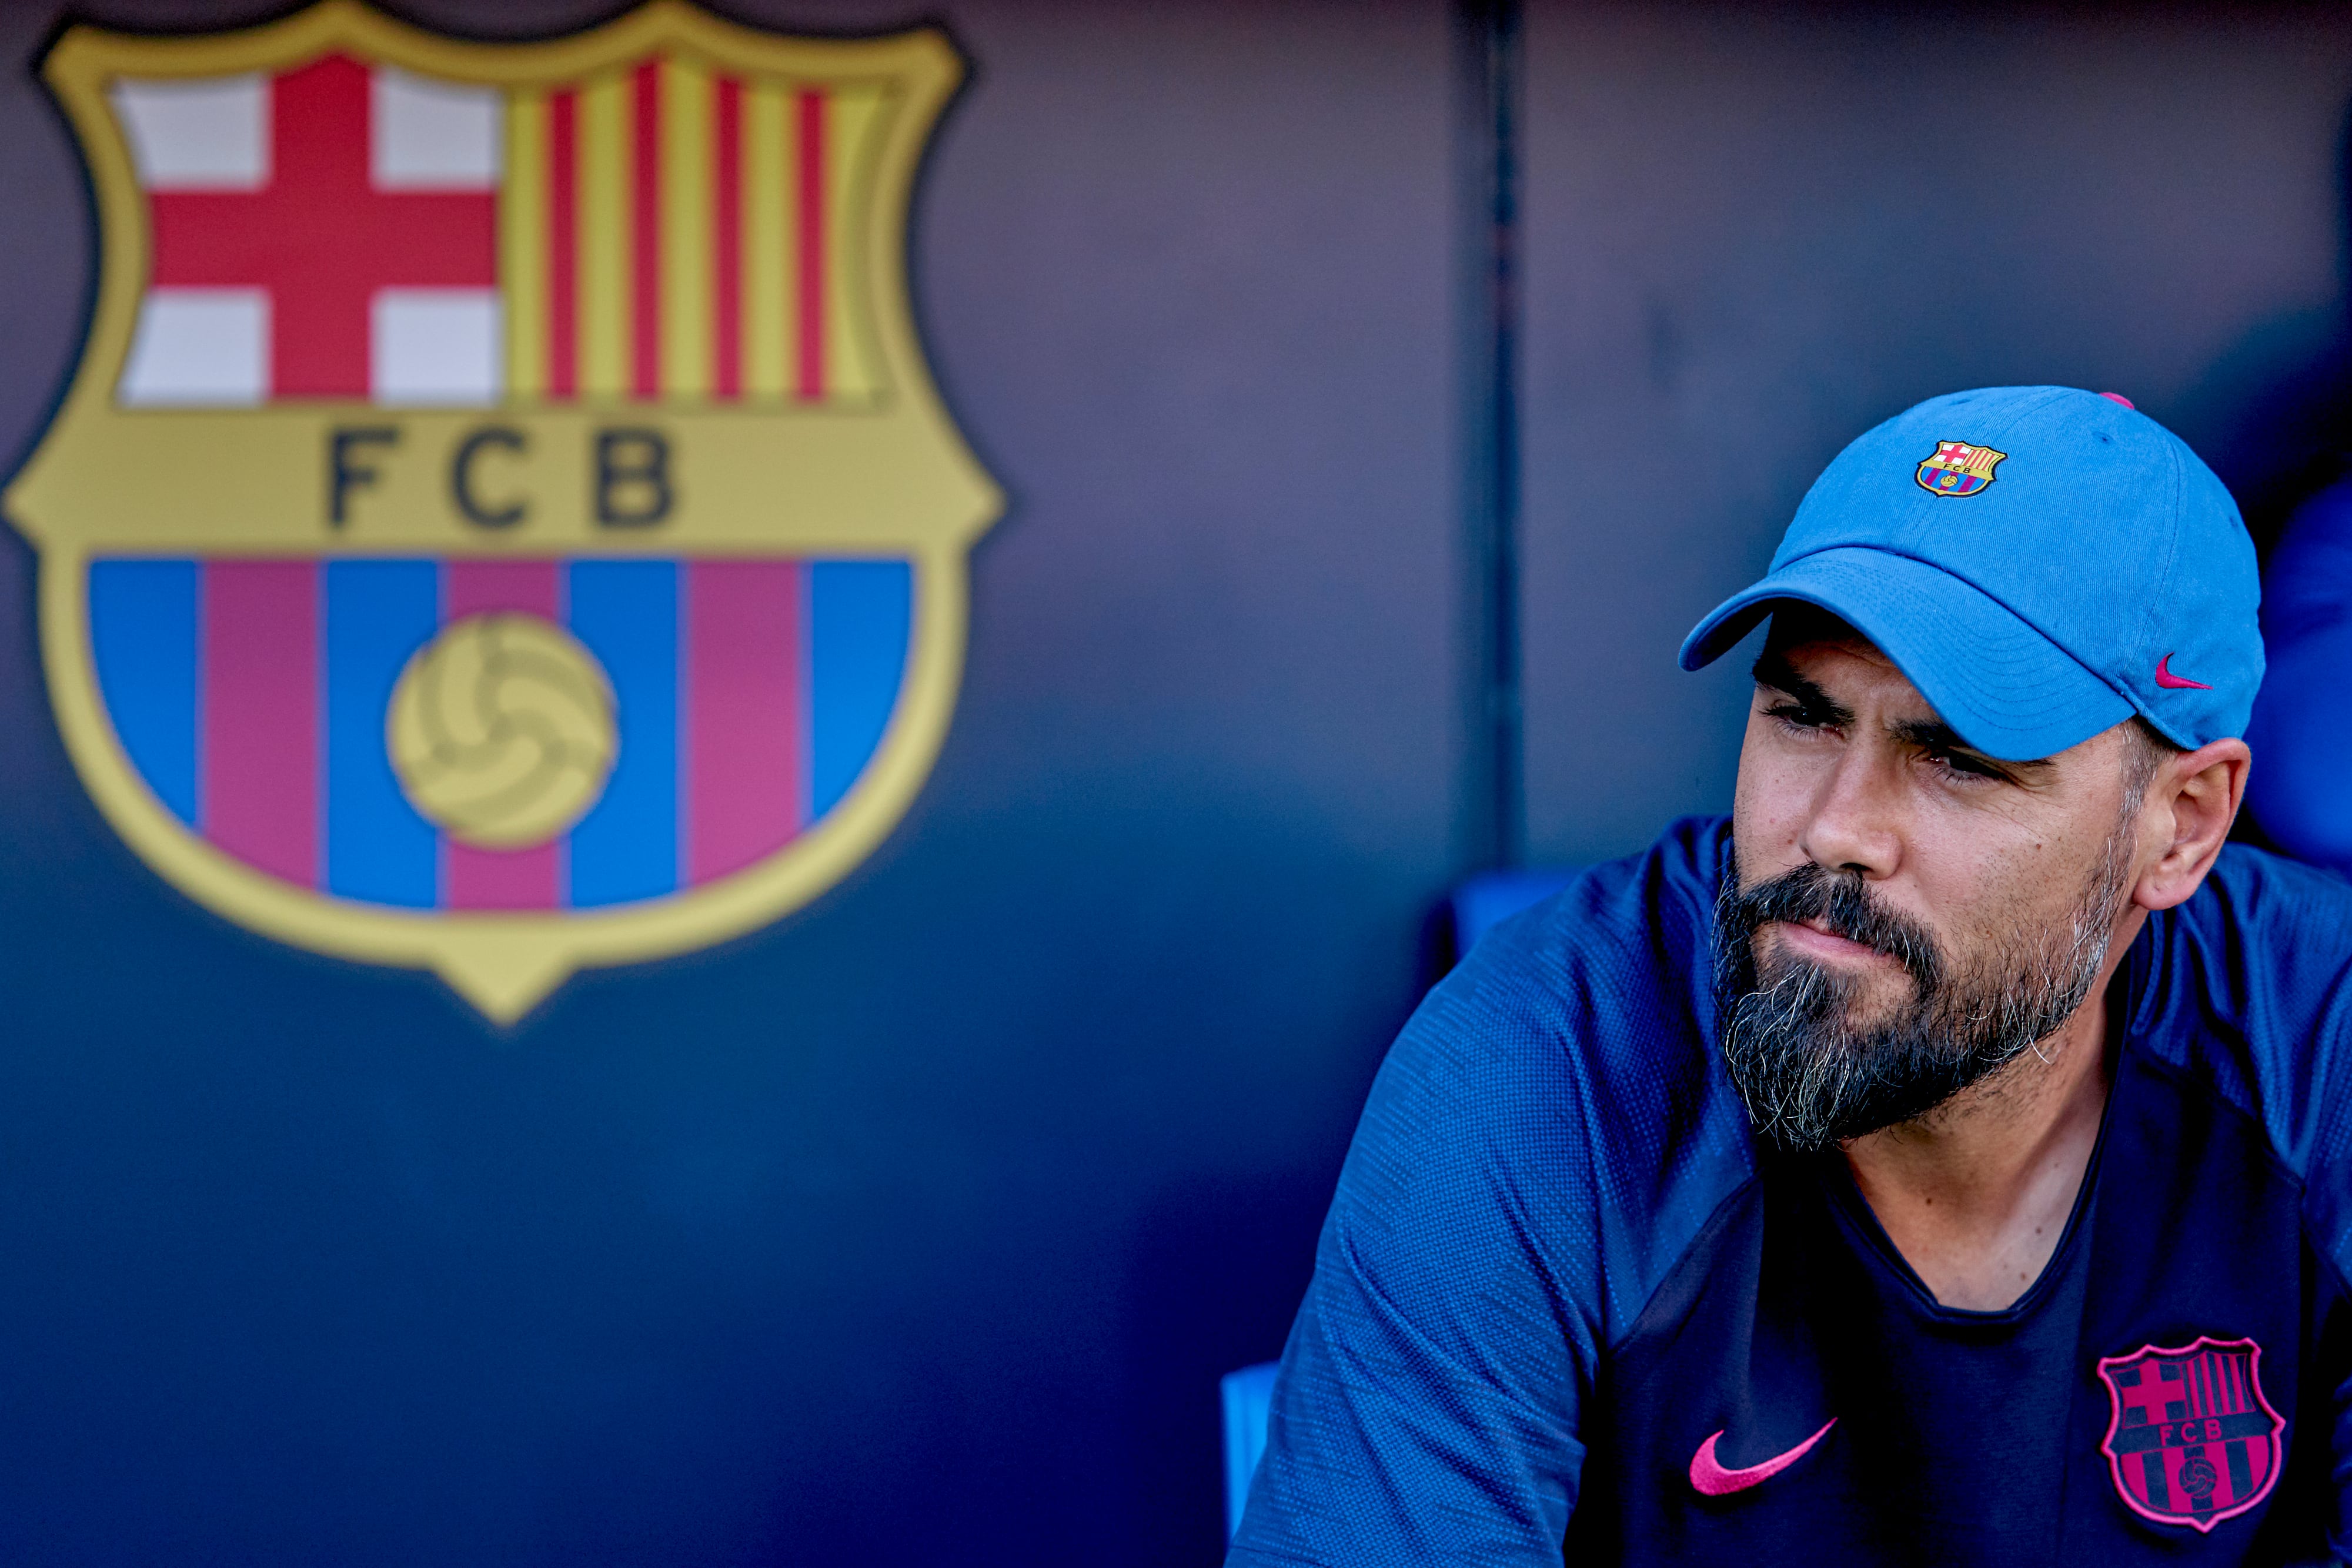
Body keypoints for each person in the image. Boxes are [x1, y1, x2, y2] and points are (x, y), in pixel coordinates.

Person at [1227, 386, 2352, 1565]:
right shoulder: (1545, 1066)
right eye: (1801, 716)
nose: (1831, 828)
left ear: (2178, 826)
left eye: (1957, 758)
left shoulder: (2315, 1042)